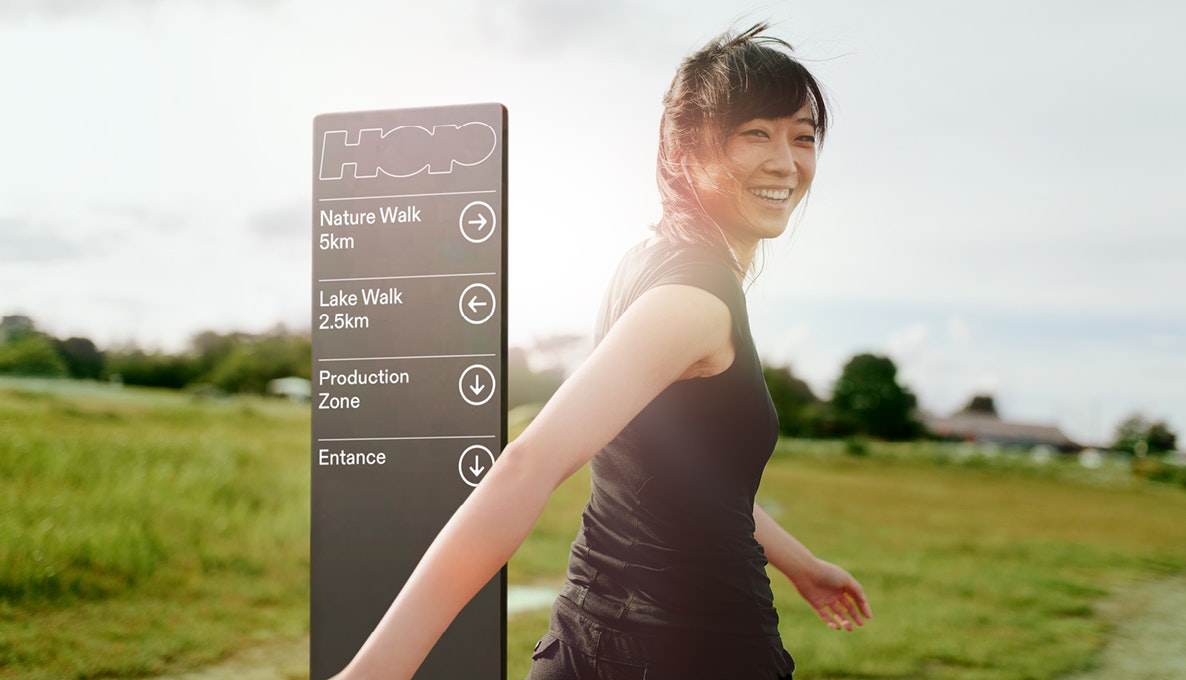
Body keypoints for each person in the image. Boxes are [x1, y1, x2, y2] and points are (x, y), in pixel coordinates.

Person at [331, 22, 871, 680]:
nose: (787, 161)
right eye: (755, 134)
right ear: (690, 151)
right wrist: (375, 671)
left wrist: (799, 563)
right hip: (695, 649)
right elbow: (527, 464)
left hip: (586, 643)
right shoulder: (693, 300)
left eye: (803, 137)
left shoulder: (647, 266)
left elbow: (689, 474)